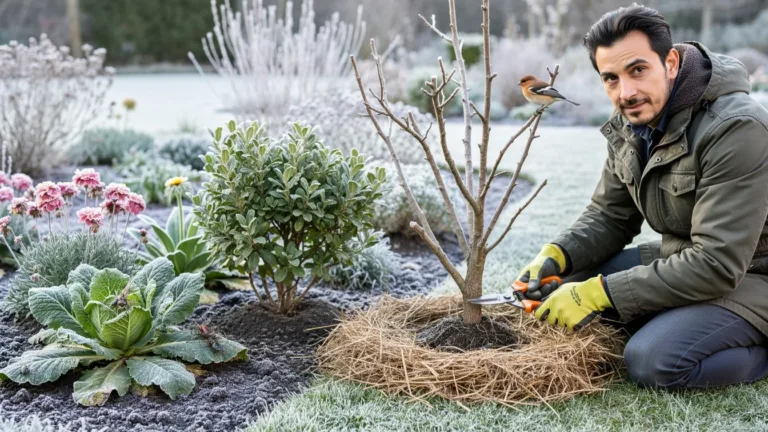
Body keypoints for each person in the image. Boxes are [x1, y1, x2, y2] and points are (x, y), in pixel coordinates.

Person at [517, 4, 768, 390]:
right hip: (682, 259)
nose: (626, 92)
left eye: (637, 70)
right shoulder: (632, 120)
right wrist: (557, 253)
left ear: (670, 63)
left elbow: (717, 263)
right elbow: (610, 215)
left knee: (653, 360)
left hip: (750, 274)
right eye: (611, 78)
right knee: (561, 283)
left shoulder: (736, 129)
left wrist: (601, 293)